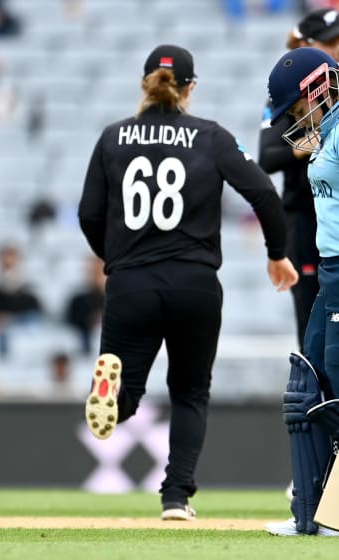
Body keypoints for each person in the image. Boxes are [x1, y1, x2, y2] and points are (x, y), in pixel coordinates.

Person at [78, 44, 298, 520]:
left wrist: (115, 258)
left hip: (131, 282)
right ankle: (176, 497)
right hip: (194, 283)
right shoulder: (210, 136)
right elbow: (262, 191)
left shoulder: (112, 137)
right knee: (190, 390)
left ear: (144, 84)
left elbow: (89, 213)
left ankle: (114, 399)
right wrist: (277, 254)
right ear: (190, 88)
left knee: (128, 389)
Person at [265, 46, 339, 537]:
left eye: (297, 109)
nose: (297, 120)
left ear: (319, 88)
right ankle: (312, 514)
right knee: (310, 383)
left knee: (337, 379)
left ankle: (336, 514)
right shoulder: (328, 133)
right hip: (330, 270)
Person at [259, 8, 339, 353]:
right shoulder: (290, 93)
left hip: (331, 217)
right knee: (313, 325)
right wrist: (318, 137)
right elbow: (268, 156)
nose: (337, 48)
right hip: (305, 217)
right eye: (330, 42)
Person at [64, 256, 105, 355]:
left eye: (100, 271)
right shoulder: (78, 301)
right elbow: (70, 325)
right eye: (93, 271)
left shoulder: (120, 301)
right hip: (85, 344)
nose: (96, 275)